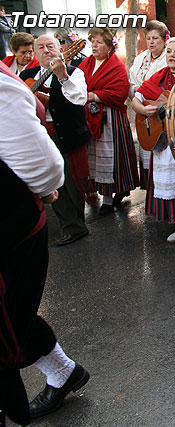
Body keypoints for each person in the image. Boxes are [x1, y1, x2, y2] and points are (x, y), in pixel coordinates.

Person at [0, 62, 89, 425]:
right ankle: (63, 371)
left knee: (10, 317)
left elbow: (43, 164)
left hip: (10, 228)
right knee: (13, 316)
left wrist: (44, 187)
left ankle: (62, 372)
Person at [20, 35, 92, 247]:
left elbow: (79, 98)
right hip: (40, 135)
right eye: (40, 47)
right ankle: (71, 226)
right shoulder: (26, 75)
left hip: (68, 134)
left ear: (60, 49)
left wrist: (62, 77)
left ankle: (78, 221)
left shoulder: (74, 72)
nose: (46, 50)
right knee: (52, 182)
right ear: (35, 53)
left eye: (50, 46)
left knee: (72, 182)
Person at [131, 36, 175, 242]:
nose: (172, 55)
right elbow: (136, 99)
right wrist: (145, 110)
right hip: (164, 141)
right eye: (170, 51)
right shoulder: (159, 75)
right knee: (174, 184)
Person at [78, 28, 139, 215]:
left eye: (99, 42)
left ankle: (108, 199)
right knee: (94, 156)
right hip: (91, 116)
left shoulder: (116, 65)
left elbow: (119, 91)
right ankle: (104, 193)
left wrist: (92, 96)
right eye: (92, 42)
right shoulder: (86, 63)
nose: (94, 46)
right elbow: (76, 83)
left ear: (109, 46)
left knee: (110, 157)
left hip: (111, 118)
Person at [128, 20, 168, 190]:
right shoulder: (140, 59)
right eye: (148, 38)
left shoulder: (169, 57)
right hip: (141, 108)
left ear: (164, 39)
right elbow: (130, 83)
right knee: (146, 152)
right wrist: (138, 93)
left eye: (155, 38)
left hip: (160, 111)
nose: (151, 42)